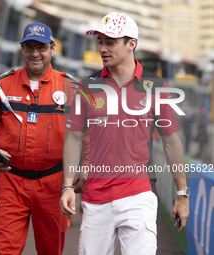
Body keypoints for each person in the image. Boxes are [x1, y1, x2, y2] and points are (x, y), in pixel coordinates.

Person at [60, 12, 189, 255]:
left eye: (110, 42)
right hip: (95, 199)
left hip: (138, 196)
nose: (102, 48)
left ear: (132, 44)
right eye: (99, 42)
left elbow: (171, 141)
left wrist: (182, 194)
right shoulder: (86, 86)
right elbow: (74, 138)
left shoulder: (156, 86)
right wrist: (67, 186)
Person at [0, 22, 77, 255]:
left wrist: (71, 181)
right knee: (2, 249)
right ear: (22, 49)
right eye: (29, 47)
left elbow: (82, 137)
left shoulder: (71, 88)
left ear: (52, 49)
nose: (35, 53)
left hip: (53, 184)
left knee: (51, 250)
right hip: (11, 182)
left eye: (41, 47)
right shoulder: (2, 86)